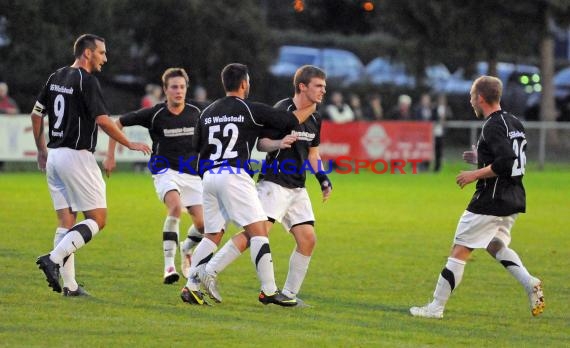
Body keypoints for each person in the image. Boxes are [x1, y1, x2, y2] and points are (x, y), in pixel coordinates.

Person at [179, 63, 316, 306]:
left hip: (209, 177)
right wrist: (313, 104)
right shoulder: (249, 109)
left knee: (212, 235)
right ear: (244, 84)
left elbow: (196, 147)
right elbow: (290, 119)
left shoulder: (207, 111)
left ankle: (190, 286)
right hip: (234, 175)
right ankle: (270, 291)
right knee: (259, 232)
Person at [410, 76, 544, 319]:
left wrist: (475, 174)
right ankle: (529, 282)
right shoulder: (514, 121)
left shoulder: (492, 125)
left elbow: (505, 162)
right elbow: (512, 158)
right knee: (495, 245)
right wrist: (480, 157)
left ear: (480, 98)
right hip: (513, 198)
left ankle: (435, 308)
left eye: (472, 96)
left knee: (459, 250)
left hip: (490, 199)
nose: (470, 101)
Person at [32, 34, 151, 296]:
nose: (104, 59)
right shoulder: (87, 80)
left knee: (66, 221)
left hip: (54, 155)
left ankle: (70, 286)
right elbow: (103, 121)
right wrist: (128, 144)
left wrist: (41, 150)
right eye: (101, 53)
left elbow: (36, 113)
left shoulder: (56, 76)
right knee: (98, 218)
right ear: (87, 53)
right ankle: (53, 259)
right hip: (76, 156)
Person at [103, 68, 204, 284]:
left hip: (192, 174)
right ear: (165, 90)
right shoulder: (155, 114)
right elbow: (117, 123)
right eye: (174, 87)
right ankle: (169, 266)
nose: (179, 91)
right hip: (164, 170)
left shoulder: (197, 111)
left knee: (205, 226)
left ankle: (187, 248)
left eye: (182, 87)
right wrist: (111, 155)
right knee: (175, 207)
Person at [432, 93, 452, 172]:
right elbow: (433, 118)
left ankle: (439, 166)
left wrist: (445, 119)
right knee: (435, 150)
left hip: (443, 132)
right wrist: (439, 119)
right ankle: (435, 167)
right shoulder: (435, 108)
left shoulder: (447, 109)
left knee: (440, 150)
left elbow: (450, 117)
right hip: (435, 132)